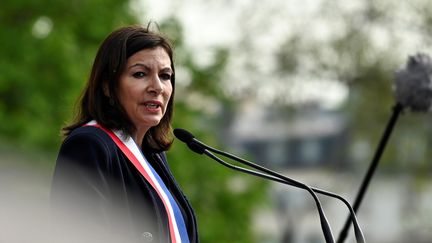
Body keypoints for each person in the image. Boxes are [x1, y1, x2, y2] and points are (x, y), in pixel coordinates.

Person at [50, 24, 198, 243]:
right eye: (140, 74)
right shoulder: (89, 145)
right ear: (108, 86)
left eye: (165, 76)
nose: (157, 87)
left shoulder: (153, 155)